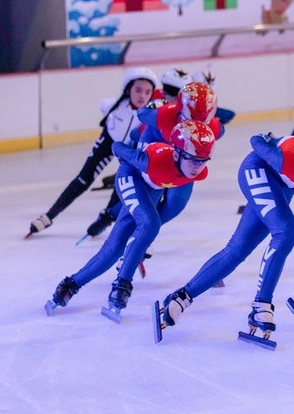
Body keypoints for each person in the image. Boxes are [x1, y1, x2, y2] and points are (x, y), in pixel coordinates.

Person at [156, 123, 294, 343]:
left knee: (238, 248)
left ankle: (181, 297)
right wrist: (267, 137)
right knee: (286, 230)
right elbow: (255, 140)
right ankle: (262, 303)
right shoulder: (287, 157)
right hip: (257, 170)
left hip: (282, 184)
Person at [44, 120, 216, 318]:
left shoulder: (199, 171)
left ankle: (69, 285)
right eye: (193, 160)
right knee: (151, 223)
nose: (198, 167)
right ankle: (122, 285)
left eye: (204, 160)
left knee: (114, 247)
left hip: (151, 187)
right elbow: (116, 147)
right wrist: (136, 153)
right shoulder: (152, 160)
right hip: (131, 177)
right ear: (176, 153)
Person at [79, 82, 223, 244]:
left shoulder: (213, 126)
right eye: (189, 119)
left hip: (181, 158)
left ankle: (143, 233)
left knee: (176, 204)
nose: (195, 127)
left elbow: (220, 129)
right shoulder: (163, 114)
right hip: (155, 149)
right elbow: (141, 118)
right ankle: (110, 215)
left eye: (202, 123)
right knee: (148, 195)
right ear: (179, 109)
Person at [25, 66, 158, 239]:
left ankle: (106, 217)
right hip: (108, 141)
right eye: (138, 90)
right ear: (128, 89)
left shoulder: (149, 114)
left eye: (147, 92)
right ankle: (49, 216)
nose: (142, 96)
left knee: (124, 181)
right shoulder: (110, 106)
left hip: (128, 149)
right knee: (82, 179)